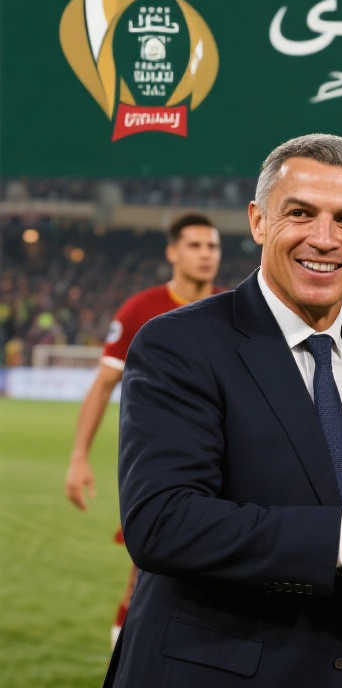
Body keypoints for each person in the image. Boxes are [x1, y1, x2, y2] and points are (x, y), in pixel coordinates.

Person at [104, 134, 342, 688]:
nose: (324, 239)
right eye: (300, 213)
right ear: (259, 222)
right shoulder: (179, 343)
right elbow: (161, 522)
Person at [63, 212, 222, 647]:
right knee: (146, 575)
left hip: (224, 463)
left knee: (221, 579)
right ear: (172, 253)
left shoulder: (233, 310)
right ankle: (124, 659)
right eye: (194, 245)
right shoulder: (142, 310)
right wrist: (78, 457)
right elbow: (103, 385)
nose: (206, 254)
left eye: (212, 246)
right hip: (161, 467)